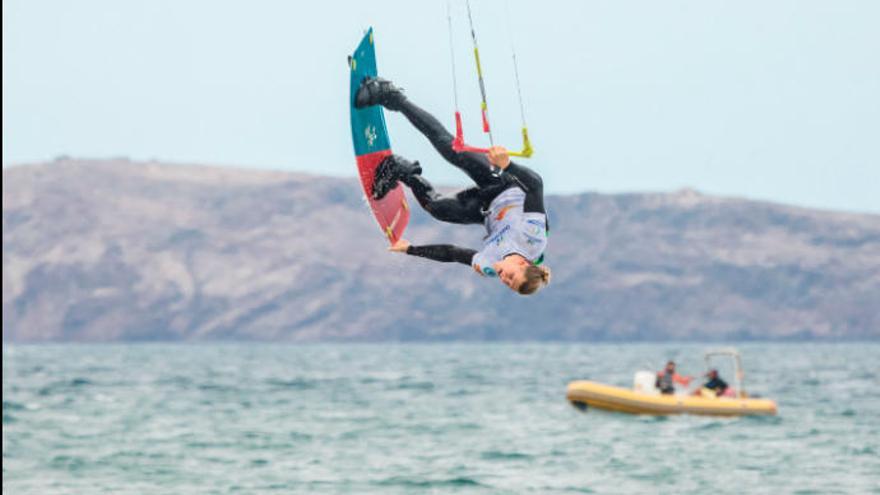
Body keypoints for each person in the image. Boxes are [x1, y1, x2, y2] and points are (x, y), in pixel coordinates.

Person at [354, 76, 551, 295]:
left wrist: (410, 249)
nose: (503, 277)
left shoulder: (488, 266)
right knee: (450, 148)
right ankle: (390, 95)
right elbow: (535, 185)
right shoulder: (532, 238)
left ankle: (401, 170)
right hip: (505, 185)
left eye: (507, 283)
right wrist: (508, 165)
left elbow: (453, 253)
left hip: (486, 210)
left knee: (437, 208)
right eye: (511, 276)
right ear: (524, 265)